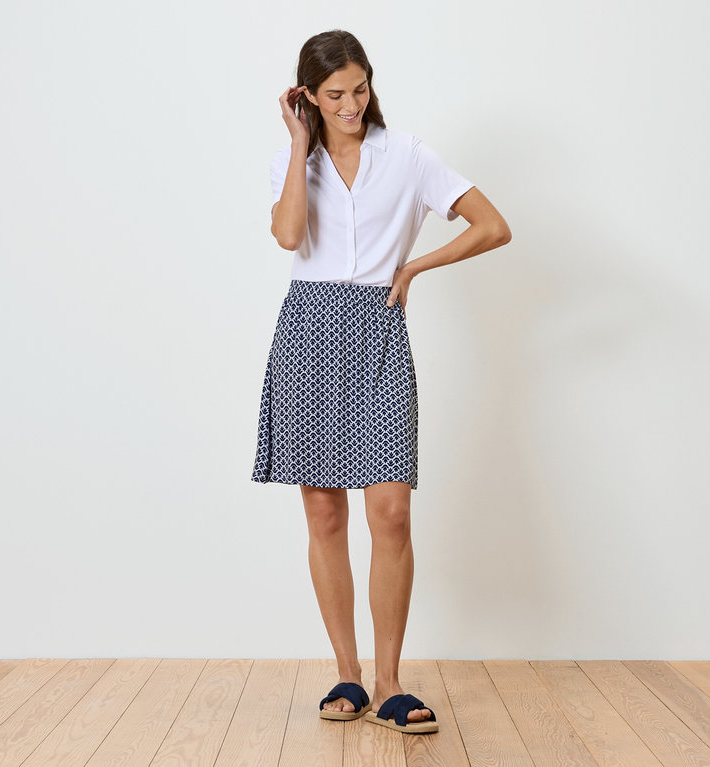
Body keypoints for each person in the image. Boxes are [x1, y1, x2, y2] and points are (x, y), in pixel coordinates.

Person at [251, 29, 511, 734]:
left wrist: (415, 266)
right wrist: (299, 145)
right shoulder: (292, 161)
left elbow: (493, 226)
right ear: (307, 96)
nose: (351, 104)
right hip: (308, 331)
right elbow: (288, 236)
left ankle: (391, 681)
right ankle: (348, 674)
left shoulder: (409, 156)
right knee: (325, 513)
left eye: (360, 89)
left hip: (377, 330)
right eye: (334, 94)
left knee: (390, 510)